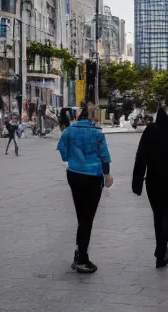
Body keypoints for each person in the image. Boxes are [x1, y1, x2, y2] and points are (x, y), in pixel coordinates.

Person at [57, 108, 113, 273]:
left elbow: (63, 152)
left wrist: (73, 158)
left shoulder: (69, 132)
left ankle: (79, 252)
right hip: (93, 177)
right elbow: (105, 156)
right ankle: (82, 258)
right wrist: (107, 174)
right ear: (90, 120)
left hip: (74, 175)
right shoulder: (97, 133)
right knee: (87, 219)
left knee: (81, 216)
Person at [132, 105, 168, 268]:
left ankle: (160, 249)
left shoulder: (149, 132)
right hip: (167, 183)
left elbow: (140, 157)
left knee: (157, 215)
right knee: (166, 216)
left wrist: (137, 182)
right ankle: (162, 249)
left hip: (152, 182)